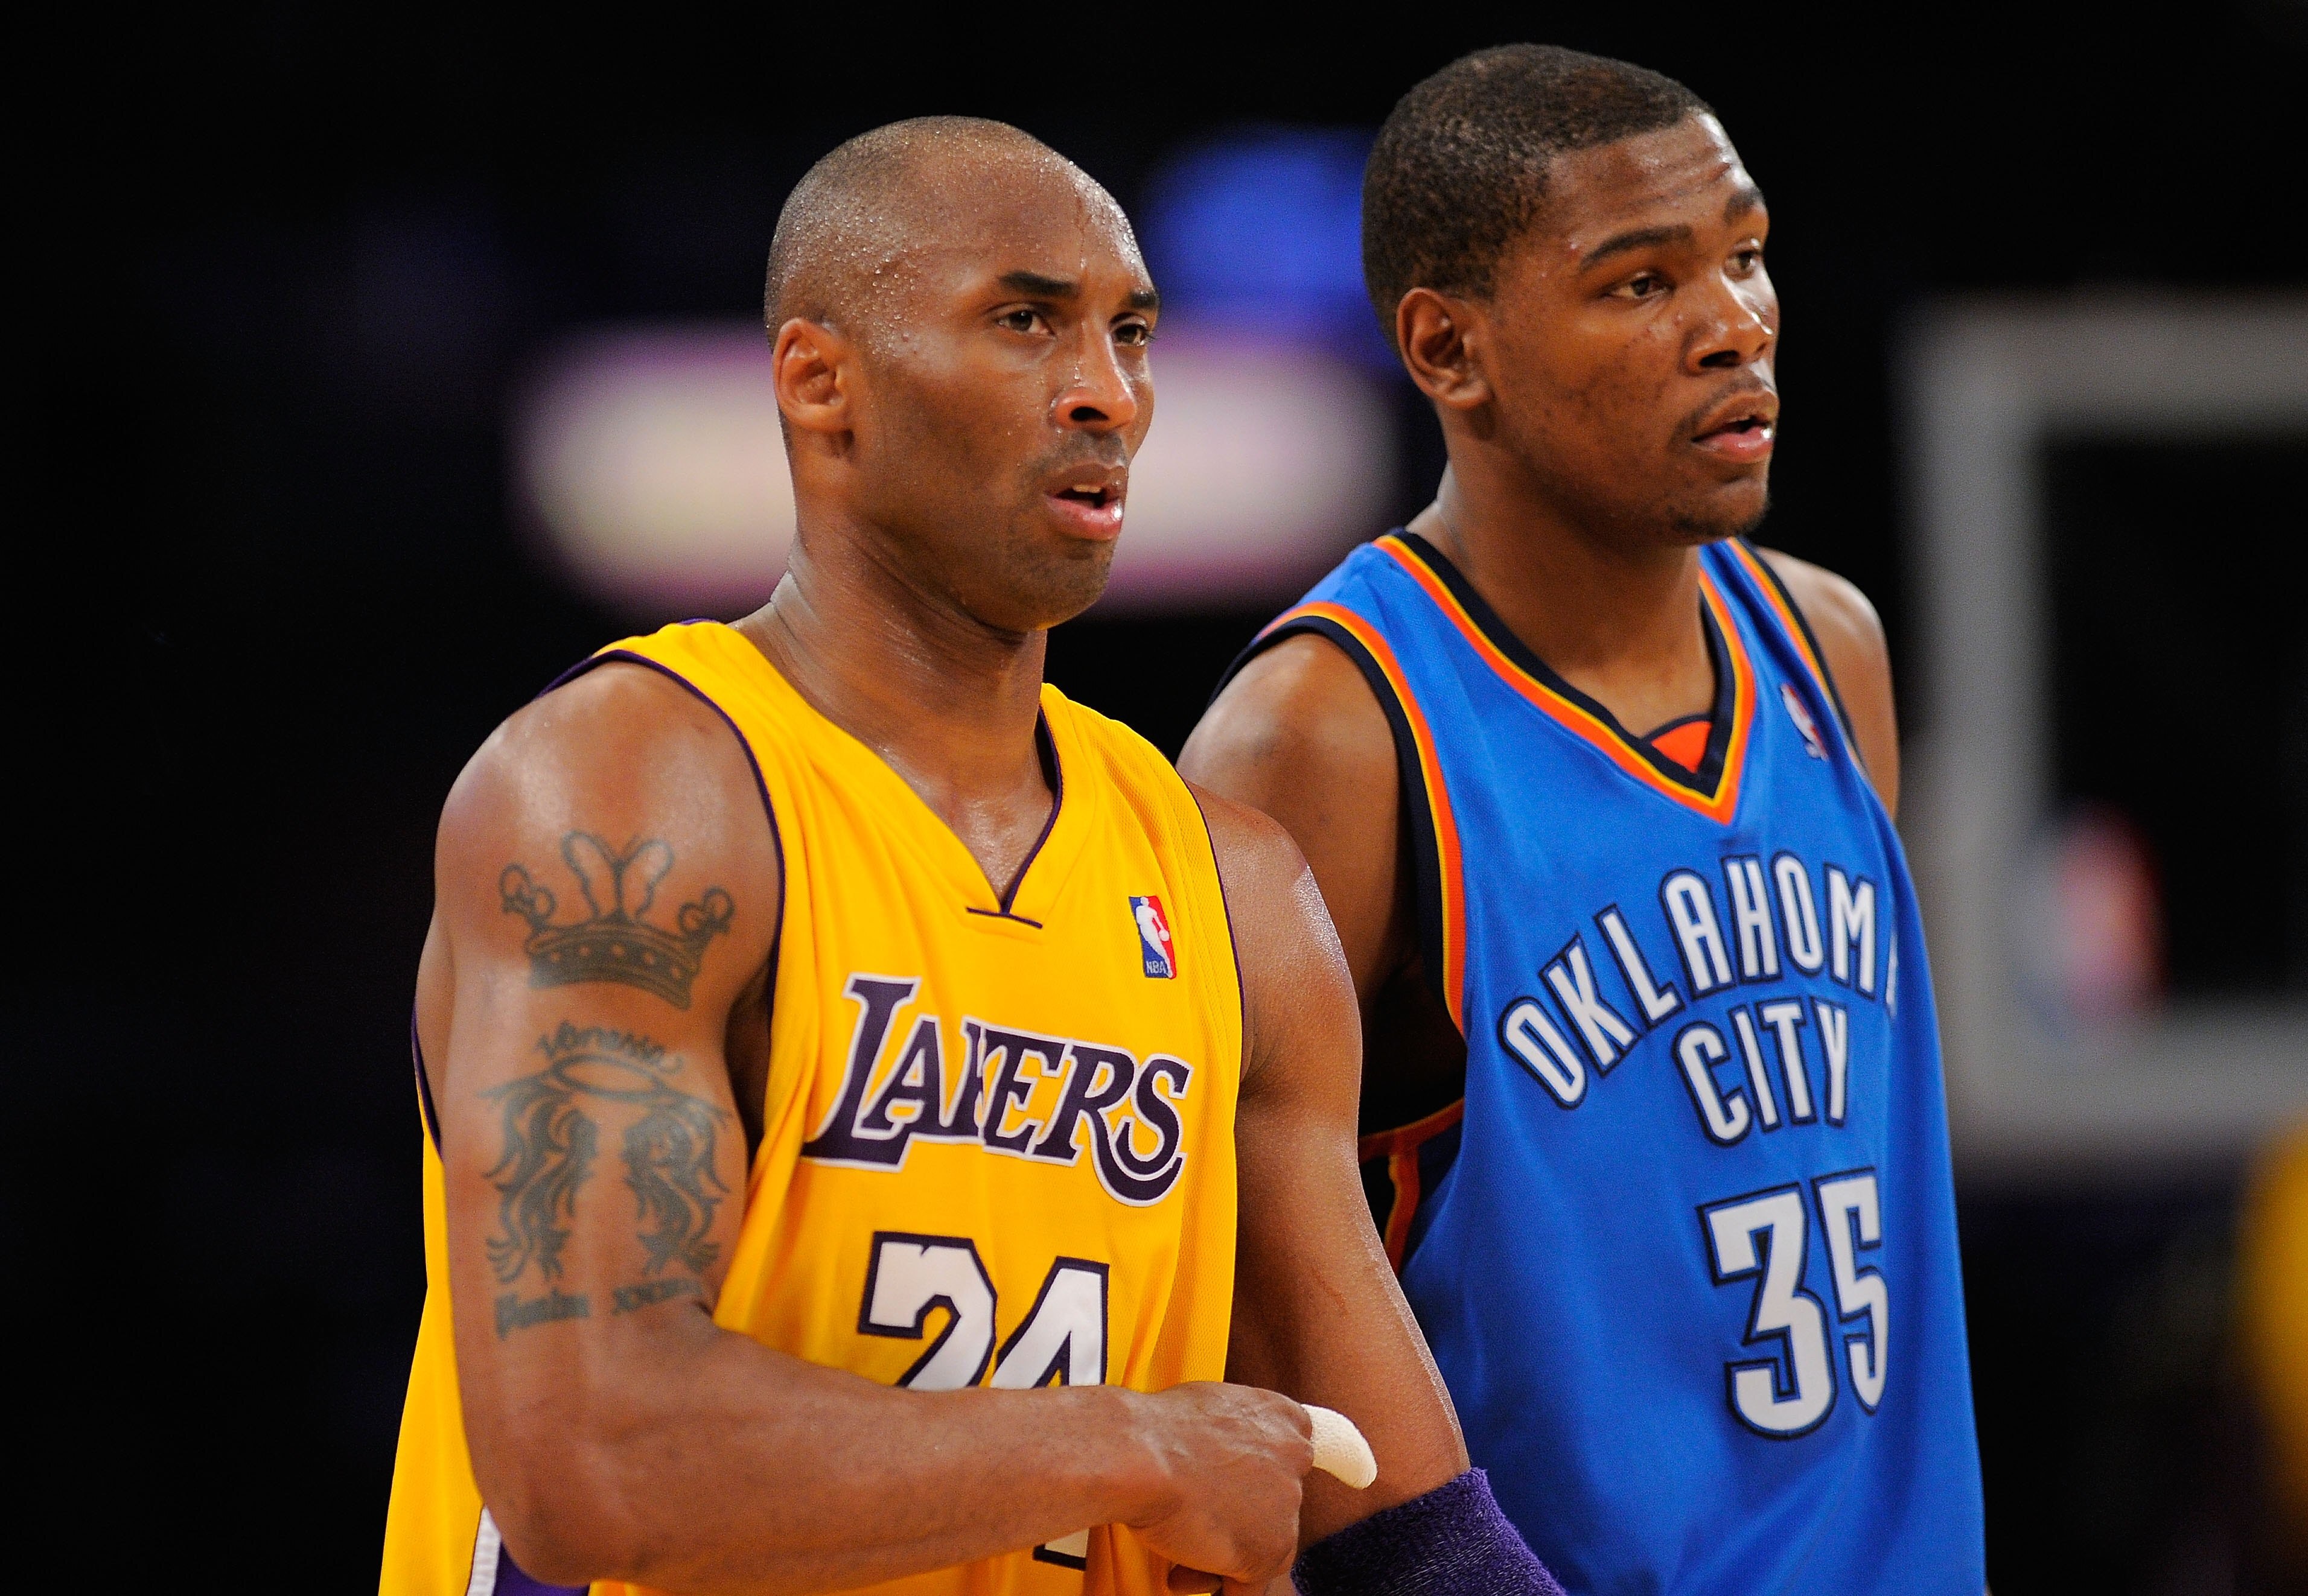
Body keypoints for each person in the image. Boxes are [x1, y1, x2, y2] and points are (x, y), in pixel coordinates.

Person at [379, 117, 1567, 1596]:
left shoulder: (1230, 890)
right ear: (822, 385)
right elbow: (593, 1460)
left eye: (1131, 333)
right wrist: (1125, 1449)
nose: (1108, 393)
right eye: (1024, 323)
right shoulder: (637, 793)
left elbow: (1406, 1538)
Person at [1182, 48, 1984, 1592]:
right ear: (1447, 349)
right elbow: (1224, 1308)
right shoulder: (1322, 742)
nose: (1734, 323)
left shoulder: (1830, 650)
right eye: (1638, 283)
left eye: (1744, 258)